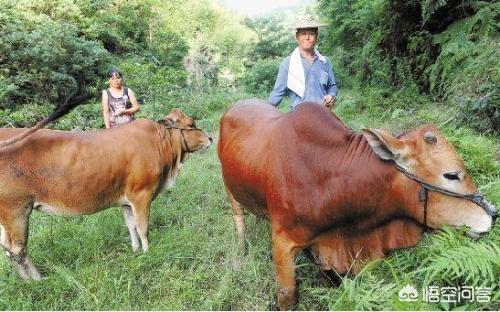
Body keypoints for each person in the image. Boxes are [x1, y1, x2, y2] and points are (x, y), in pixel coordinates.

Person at [268, 15, 338, 111]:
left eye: (311, 34)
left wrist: (331, 95)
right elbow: (277, 92)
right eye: (303, 34)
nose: (307, 37)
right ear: (297, 36)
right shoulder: (288, 63)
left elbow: (332, 86)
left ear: (316, 36)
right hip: (299, 116)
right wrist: (266, 110)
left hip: (323, 114)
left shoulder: (325, 61)